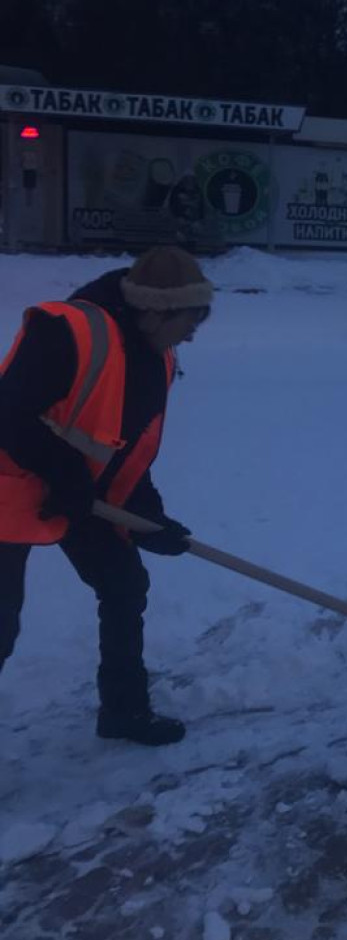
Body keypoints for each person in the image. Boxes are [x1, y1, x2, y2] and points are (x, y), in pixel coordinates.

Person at [0, 246, 213, 745]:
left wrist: (151, 521)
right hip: (8, 485)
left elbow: (123, 450)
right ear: (154, 311)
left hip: (73, 491)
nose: (194, 332)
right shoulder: (66, 332)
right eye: (189, 319)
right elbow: (7, 415)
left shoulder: (154, 357)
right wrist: (67, 476)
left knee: (122, 582)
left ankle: (124, 711)